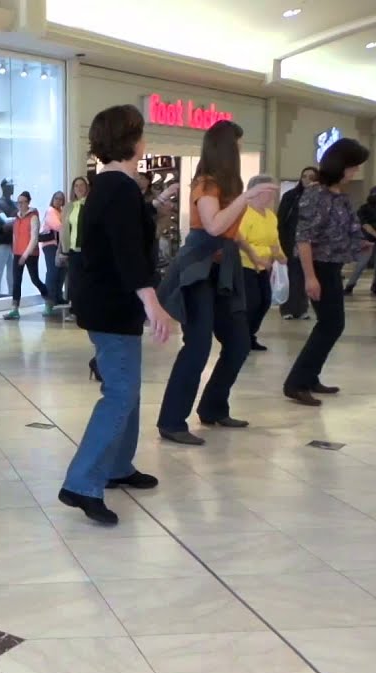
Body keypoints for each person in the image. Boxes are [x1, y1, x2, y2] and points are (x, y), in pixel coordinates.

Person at [57, 104, 173, 526]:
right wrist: (152, 300)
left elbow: (121, 241)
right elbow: (126, 254)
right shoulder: (118, 189)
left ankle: (118, 466)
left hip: (105, 302)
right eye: (142, 134)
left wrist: (154, 204)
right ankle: (82, 483)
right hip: (113, 305)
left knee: (128, 388)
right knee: (121, 393)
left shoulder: (108, 186)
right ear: (133, 140)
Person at [157, 120, 275, 446]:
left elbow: (230, 233)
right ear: (224, 149)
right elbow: (212, 226)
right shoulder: (205, 184)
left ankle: (213, 407)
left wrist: (256, 254)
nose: (239, 150)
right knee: (197, 345)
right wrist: (245, 199)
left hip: (224, 268)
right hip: (198, 268)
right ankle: (171, 421)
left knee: (238, 342)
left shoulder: (229, 188)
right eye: (236, 145)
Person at [284, 138, 371, 407]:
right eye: (353, 167)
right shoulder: (316, 195)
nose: (355, 173)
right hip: (318, 266)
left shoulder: (339, 196)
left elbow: (345, 230)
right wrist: (310, 277)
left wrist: (360, 243)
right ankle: (296, 382)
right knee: (331, 324)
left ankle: (310, 376)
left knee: (331, 324)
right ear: (341, 165)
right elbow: (304, 237)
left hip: (331, 265)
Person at [237, 175, 286, 351]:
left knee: (265, 301)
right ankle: (241, 338)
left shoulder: (270, 216)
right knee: (252, 302)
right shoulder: (244, 213)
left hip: (264, 266)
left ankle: (250, 334)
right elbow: (239, 239)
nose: (272, 195)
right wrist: (255, 256)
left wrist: (280, 256)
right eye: (269, 191)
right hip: (245, 265)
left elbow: (274, 240)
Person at [279, 166, 318, 320]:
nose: (307, 180)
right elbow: (281, 220)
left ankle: (302, 308)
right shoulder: (291, 196)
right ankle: (287, 308)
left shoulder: (320, 197)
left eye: (311, 177)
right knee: (292, 275)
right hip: (292, 241)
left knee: (305, 276)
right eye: (304, 176)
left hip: (312, 243)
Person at [4, 192, 48, 320]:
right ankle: (14, 309)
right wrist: (15, 250)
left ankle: (48, 300)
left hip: (30, 253)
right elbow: (15, 235)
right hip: (17, 252)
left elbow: (34, 238)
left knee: (35, 279)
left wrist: (25, 255)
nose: (20, 205)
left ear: (28, 202)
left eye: (23, 202)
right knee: (16, 281)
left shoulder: (33, 216)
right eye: (19, 202)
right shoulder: (17, 217)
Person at [347, 186, 376, 294]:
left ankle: (375, 285)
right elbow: (365, 225)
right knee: (362, 263)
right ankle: (350, 285)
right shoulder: (364, 209)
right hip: (367, 239)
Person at [42, 190, 66, 313]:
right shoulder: (51, 211)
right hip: (50, 245)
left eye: (61, 199)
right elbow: (58, 226)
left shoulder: (61, 212)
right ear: (53, 199)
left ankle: (57, 297)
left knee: (61, 271)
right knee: (53, 271)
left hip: (60, 245)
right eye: (56, 198)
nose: (58, 201)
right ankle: (50, 299)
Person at [0, 179, 17, 296]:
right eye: (9, 186)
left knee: (12, 271)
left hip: (14, 242)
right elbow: (4, 221)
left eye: (12, 186)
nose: (12, 188)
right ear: (3, 188)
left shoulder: (15, 204)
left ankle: (12, 293)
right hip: (2, 241)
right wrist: (18, 220)